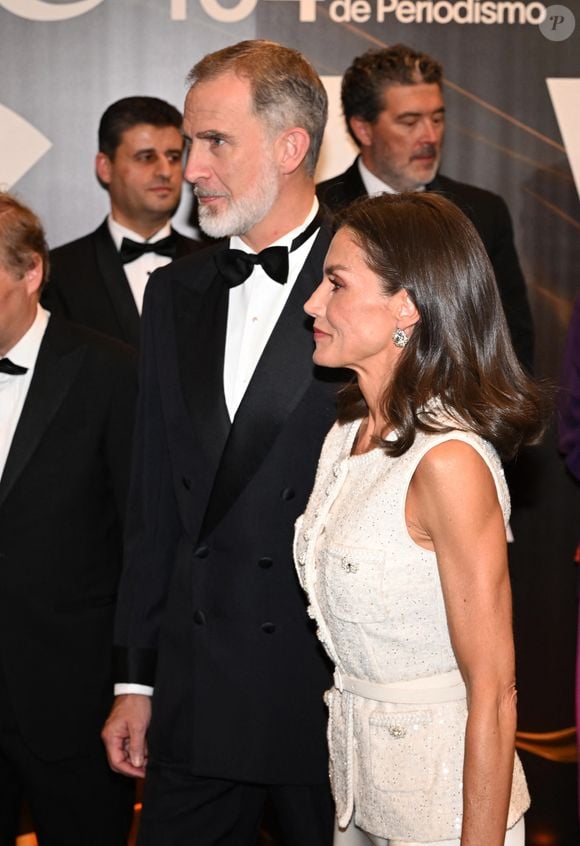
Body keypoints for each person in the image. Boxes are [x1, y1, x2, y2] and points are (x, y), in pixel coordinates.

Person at [101, 40, 342, 845]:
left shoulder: (380, 279)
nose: (189, 169)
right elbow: (152, 503)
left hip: (329, 690)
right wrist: (137, 677)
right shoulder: (176, 293)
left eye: (213, 142)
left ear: (289, 146)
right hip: (199, 694)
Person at [295, 193, 548, 845]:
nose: (312, 305)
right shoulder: (346, 433)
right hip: (357, 794)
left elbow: (493, 692)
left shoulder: (450, 461)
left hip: (448, 813)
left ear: (407, 305)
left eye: (336, 283)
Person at [0, 192, 137, 844]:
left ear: (31, 272)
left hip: (74, 703)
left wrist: (134, 684)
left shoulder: (112, 373)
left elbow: (142, 540)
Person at [316, 44, 534, 372]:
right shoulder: (317, 210)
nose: (430, 136)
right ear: (363, 129)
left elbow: (510, 343)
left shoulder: (482, 213)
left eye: (436, 118)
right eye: (409, 122)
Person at [43, 96, 200, 347]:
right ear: (105, 167)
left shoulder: (217, 263)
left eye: (173, 157)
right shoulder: (58, 273)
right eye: (146, 157)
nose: (165, 171)